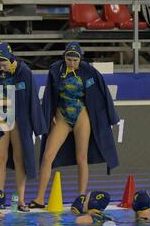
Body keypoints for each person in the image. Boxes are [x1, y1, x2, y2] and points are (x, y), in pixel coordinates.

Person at [29, 42, 119, 209]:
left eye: (74, 59)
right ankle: (40, 198)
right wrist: (49, 115)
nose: (71, 62)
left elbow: (101, 94)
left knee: (81, 158)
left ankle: (81, 198)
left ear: (80, 59)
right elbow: (49, 94)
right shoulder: (56, 70)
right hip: (62, 115)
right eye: (68, 59)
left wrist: (105, 118)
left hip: (81, 115)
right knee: (48, 156)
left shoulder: (89, 71)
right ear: (64, 57)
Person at [0, 43, 47, 212]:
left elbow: (29, 101)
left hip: (19, 119)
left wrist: (37, 126)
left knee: (18, 160)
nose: (2, 68)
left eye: (4, 64)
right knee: (0, 159)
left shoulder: (25, 73)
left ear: (11, 59)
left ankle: (20, 201)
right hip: (1, 118)